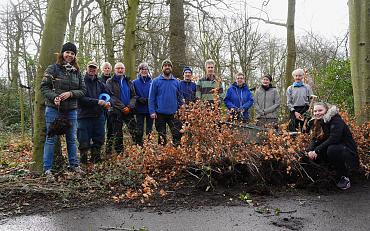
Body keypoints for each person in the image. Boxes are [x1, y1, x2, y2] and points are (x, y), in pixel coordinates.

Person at [40, 42, 86, 180]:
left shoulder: (77, 72)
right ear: (62, 53)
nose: (70, 55)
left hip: (71, 110)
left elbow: (83, 90)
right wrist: (54, 97)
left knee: (72, 139)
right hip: (54, 109)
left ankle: (74, 166)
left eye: (72, 53)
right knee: (51, 139)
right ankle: (47, 170)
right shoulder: (52, 68)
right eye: (67, 52)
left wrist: (71, 94)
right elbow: (44, 87)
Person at [307, 102, 359, 190]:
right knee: (313, 151)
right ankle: (327, 173)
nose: (317, 113)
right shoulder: (318, 121)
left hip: (347, 152)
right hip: (333, 150)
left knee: (332, 149)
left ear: (326, 110)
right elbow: (315, 139)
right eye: (315, 111)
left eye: (320, 110)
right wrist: (310, 151)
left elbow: (334, 139)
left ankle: (344, 176)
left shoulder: (336, 120)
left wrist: (317, 150)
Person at [77, 61, 111, 164]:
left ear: (97, 69)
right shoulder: (81, 81)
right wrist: (97, 102)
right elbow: (80, 98)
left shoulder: (100, 82)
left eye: (94, 68)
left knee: (99, 137)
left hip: (98, 115)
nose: (92, 69)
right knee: (83, 139)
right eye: (90, 67)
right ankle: (83, 161)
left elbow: (107, 95)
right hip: (84, 115)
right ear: (87, 68)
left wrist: (107, 103)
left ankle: (96, 159)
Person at [106, 62, 140, 155]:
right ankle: (119, 152)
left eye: (122, 68)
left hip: (129, 110)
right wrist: (123, 107)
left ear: (124, 70)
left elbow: (134, 96)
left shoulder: (128, 81)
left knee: (134, 130)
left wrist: (129, 106)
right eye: (118, 68)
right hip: (116, 111)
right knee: (118, 133)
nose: (120, 70)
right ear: (114, 70)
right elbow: (111, 96)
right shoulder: (110, 81)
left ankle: (138, 149)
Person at [149, 59, 184, 146]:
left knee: (177, 134)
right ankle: (162, 154)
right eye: (165, 66)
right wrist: (152, 111)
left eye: (169, 66)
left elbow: (180, 97)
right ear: (162, 68)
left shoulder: (176, 82)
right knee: (162, 135)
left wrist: (182, 108)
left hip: (174, 113)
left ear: (171, 68)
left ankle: (176, 153)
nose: (167, 67)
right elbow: (151, 97)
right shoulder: (156, 81)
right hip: (160, 113)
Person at [132, 62, 153, 145]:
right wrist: (139, 98)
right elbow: (132, 94)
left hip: (149, 109)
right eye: (142, 69)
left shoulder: (152, 82)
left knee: (149, 130)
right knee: (139, 129)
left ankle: (148, 146)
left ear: (148, 70)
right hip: (139, 109)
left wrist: (150, 99)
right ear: (139, 71)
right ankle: (139, 145)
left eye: (146, 69)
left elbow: (155, 94)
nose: (144, 71)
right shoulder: (134, 82)